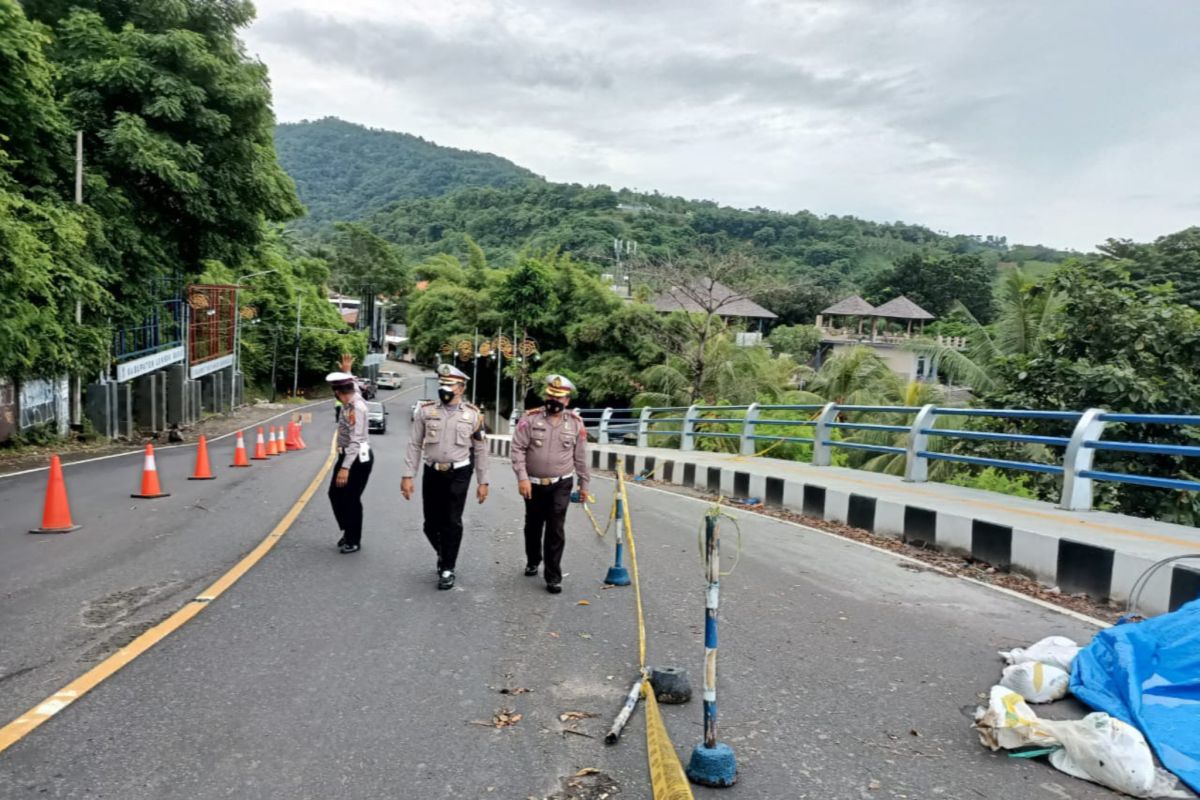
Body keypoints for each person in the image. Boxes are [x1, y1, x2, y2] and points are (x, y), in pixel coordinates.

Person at [402, 364, 489, 590]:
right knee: (430, 524)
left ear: (461, 388)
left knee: (451, 520)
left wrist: (483, 481)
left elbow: (480, 449)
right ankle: (444, 552)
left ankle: (448, 566)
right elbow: (414, 444)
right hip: (432, 471)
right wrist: (408, 475)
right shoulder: (426, 411)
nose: (445, 389)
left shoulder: (473, 415)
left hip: (459, 472)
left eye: (450, 385)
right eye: (442, 384)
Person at [510, 375, 590, 594]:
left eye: (558, 397)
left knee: (555, 528)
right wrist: (523, 477)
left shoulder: (575, 423)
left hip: (561, 483)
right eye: (549, 395)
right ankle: (533, 559)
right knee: (533, 525)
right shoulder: (530, 419)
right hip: (533, 483)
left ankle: (553, 576)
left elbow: (580, 456)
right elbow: (517, 448)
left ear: (567, 400)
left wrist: (584, 484)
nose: (552, 400)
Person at [326, 370, 373, 554]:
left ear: (338, 392)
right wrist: (347, 372)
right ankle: (348, 529)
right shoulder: (352, 398)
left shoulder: (357, 408)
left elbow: (357, 440)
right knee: (335, 494)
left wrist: (345, 468)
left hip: (357, 459)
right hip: (347, 455)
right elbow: (355, 386)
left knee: (351, 498)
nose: (342, 397)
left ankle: (353, 539)